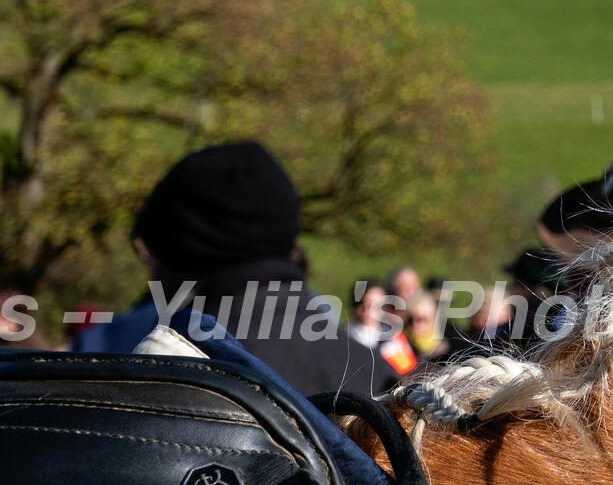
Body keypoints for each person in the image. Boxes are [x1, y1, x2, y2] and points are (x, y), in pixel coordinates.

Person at [74, 140, 397, 397]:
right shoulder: (376, 376)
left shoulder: (134, 364)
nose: (151, 272)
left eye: (153, 254)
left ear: (185, 250)